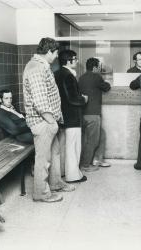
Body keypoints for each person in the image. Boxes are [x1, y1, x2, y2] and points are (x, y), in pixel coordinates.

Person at [23, 37, 75, 203]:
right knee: (43, 159)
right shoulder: (36, 68)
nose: (56, 55)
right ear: (49, 52)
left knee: (54, 154)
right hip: (43, 122)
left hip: (49, 120)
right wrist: (51, 121)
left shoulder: (42, 66)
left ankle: (56, 183)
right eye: (56, 52)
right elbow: (40, 101)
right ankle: (41, 193)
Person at [54, 49, 88, 182]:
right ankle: (73, 176)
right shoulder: (68, 75)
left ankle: (63, 172)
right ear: (69, 61)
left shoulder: (57, 74)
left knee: (63, 147)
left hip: (61, 116)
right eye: (75, 59)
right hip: (72, 116)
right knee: (73, 147)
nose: (77, 61)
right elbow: (72, 98)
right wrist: (83, 99)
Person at [78, 57, 111, 170]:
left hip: (83, 113)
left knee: (101, 135)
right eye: (99, 67)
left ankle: (97, 159)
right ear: (95, 67)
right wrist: (106, 81)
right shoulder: (96, 77)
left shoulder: (81, 78)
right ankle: (85, 165)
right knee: (93, 140)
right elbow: (106, 87)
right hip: (93, 114)